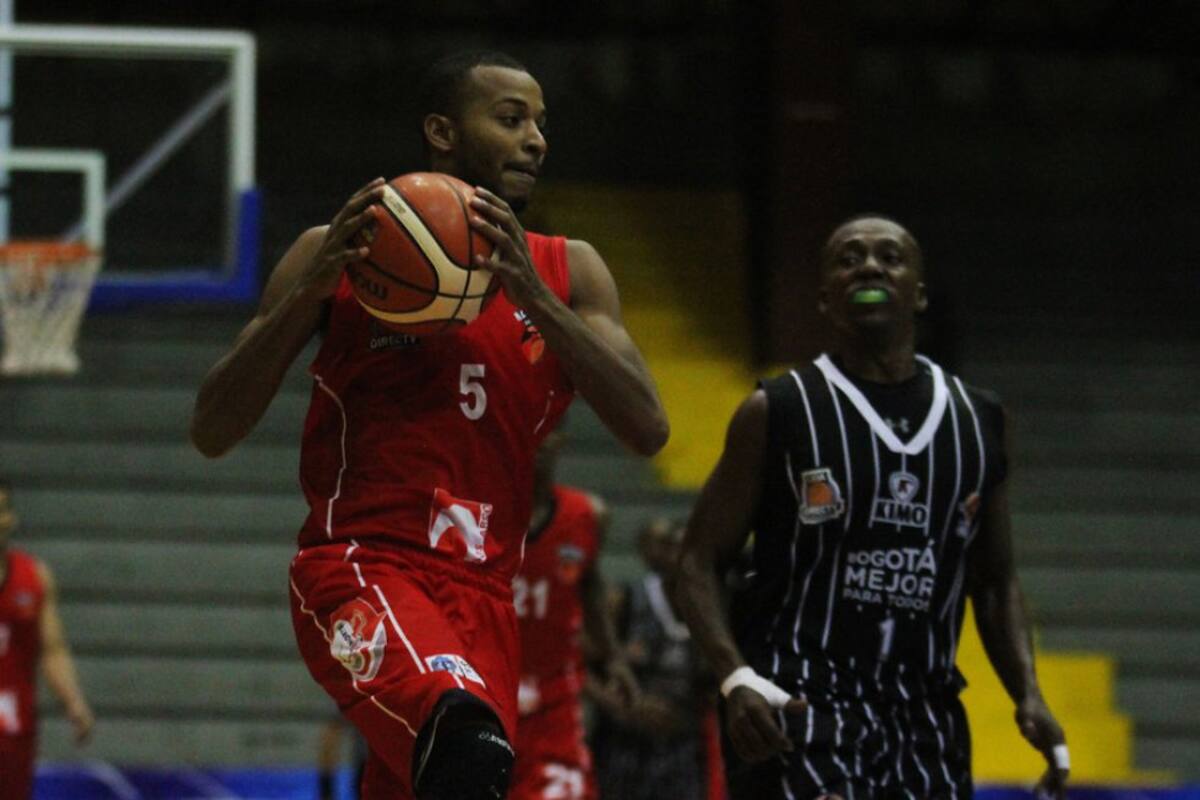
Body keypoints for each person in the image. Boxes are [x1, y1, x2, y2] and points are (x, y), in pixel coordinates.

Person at [190, 50, 667, 800]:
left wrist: (534, 298)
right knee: (465, 743)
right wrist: (311, 291)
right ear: (443, 131)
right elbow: (212, 428)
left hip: (486, 602)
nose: (536, 140)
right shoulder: (336, 252)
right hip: (364, 566)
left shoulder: (569, 271)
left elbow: (647, 427)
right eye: (511, 120)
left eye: (542, 123)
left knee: (456, 766)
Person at [674, 216, 1070, 799]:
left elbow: (993, 580)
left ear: (920, 292)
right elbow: (697, 561)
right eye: (848, 258)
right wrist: (735, 678)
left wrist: (1028, 692)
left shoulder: (979, 421)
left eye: (890, 257)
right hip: (802, 703)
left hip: (925, 717)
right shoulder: (778, 410)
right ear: (824, 298)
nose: (869, 266)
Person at [509, 430, 636, 800]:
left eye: (547, 432)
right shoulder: (480, 513)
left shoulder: (587, 515)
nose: (538, 444)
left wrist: (613, 657)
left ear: (560, 441)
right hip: (485, 694)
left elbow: (592, 586)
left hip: (553, 702)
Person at [588, 517, 725, 800]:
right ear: (661, 553)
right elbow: (575, 663)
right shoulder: (625, 600)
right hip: (621, 746)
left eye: (695, 548)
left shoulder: (716, 609)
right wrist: (619, 706)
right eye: (677, 547)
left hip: (683, 751)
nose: (685, 556)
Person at [0, 480, 94, 799]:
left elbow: (52, 649)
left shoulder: (33, 576)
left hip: (14, 726)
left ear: (9, 518)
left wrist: (72, 699)